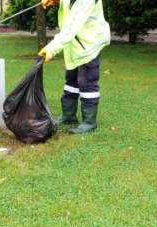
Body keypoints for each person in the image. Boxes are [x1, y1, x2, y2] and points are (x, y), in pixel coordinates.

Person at [38, 0, 111, 134]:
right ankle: (69, 116)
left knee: (87, 83)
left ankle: (89, 122)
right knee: (71, 81)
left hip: (89, 45)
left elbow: (72, 27)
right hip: (74, 45)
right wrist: (56, 1)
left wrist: (51, 49)